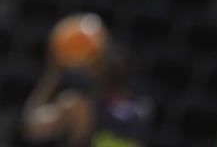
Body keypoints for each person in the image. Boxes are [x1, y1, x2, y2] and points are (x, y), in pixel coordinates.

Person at [22, 15, 152, 147]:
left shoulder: (78, 107)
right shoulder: (142, 113)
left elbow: (31, 127)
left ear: (93, 72)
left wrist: (53, 72)